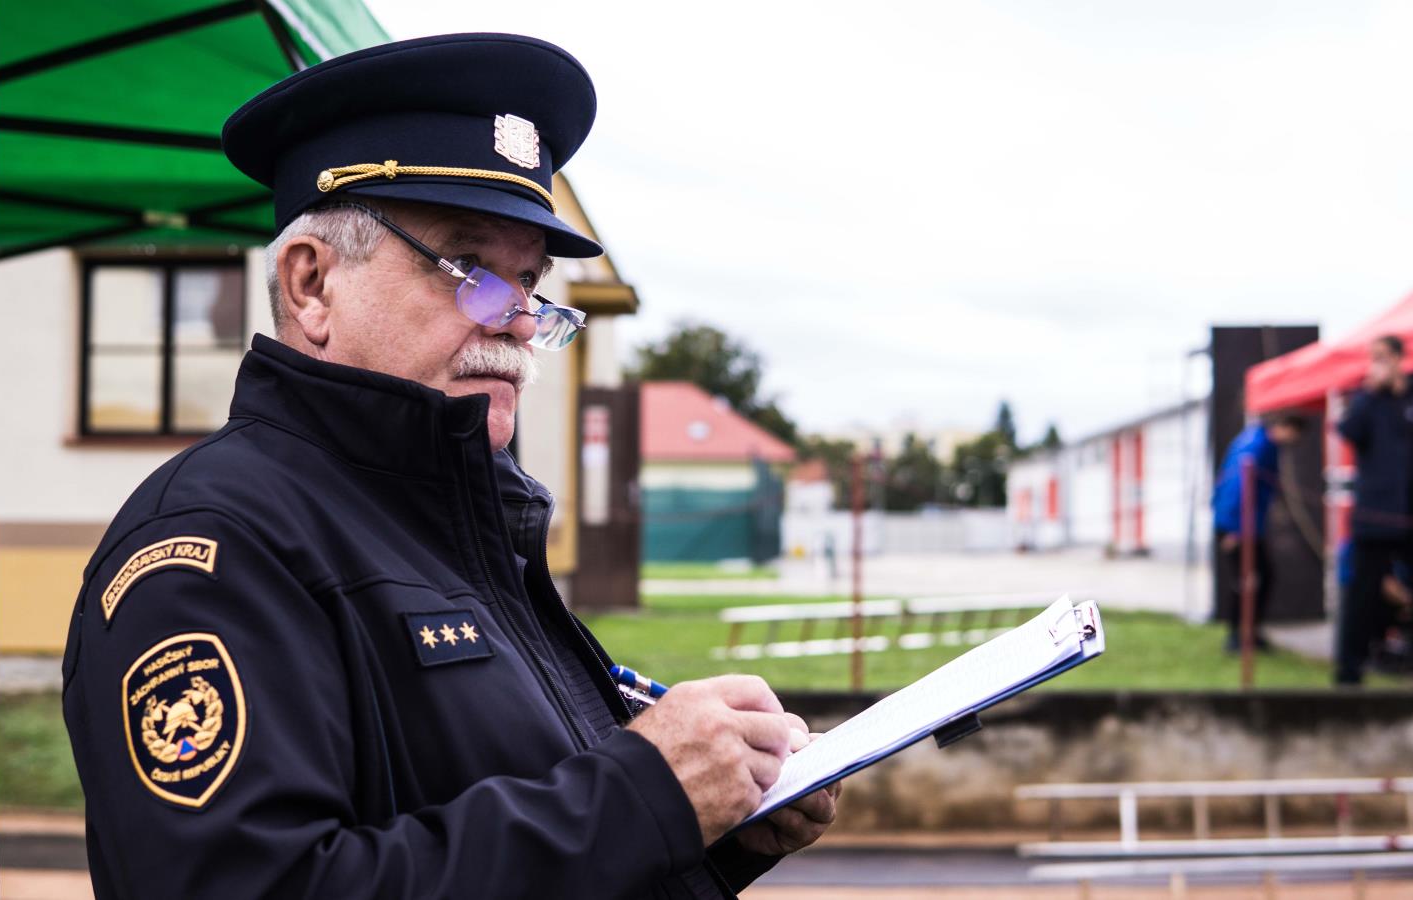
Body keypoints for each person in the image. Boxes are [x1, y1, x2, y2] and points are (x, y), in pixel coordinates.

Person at [61, 34, 837, 899]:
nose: (517, 321)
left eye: (529, 284)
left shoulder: (456, 523)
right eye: (469, 269)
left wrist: (710, 830)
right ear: (311, 285)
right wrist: (645, 796)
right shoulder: (215, 547)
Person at [1335, 334, 1413, 684]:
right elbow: (1348, 431)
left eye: (1383, 356)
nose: (1378, 363)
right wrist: (1370, 392)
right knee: (1363, 593)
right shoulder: (1368, 402)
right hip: (1377, 517)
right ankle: (1349, 671)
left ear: (1400, 358)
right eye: (1373, 357)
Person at [1211, 411, 1305, 652]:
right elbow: (1236, 486)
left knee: (1260, 577)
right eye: (1295, 434)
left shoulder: (1262, 442)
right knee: (1246, 580)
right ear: (1287, 427)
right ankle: (1236, 635)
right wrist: (1234, 531)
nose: (1294, 440)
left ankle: (1250, 631)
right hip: (1238, 525)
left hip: (1248, 524)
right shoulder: (1257, 446)